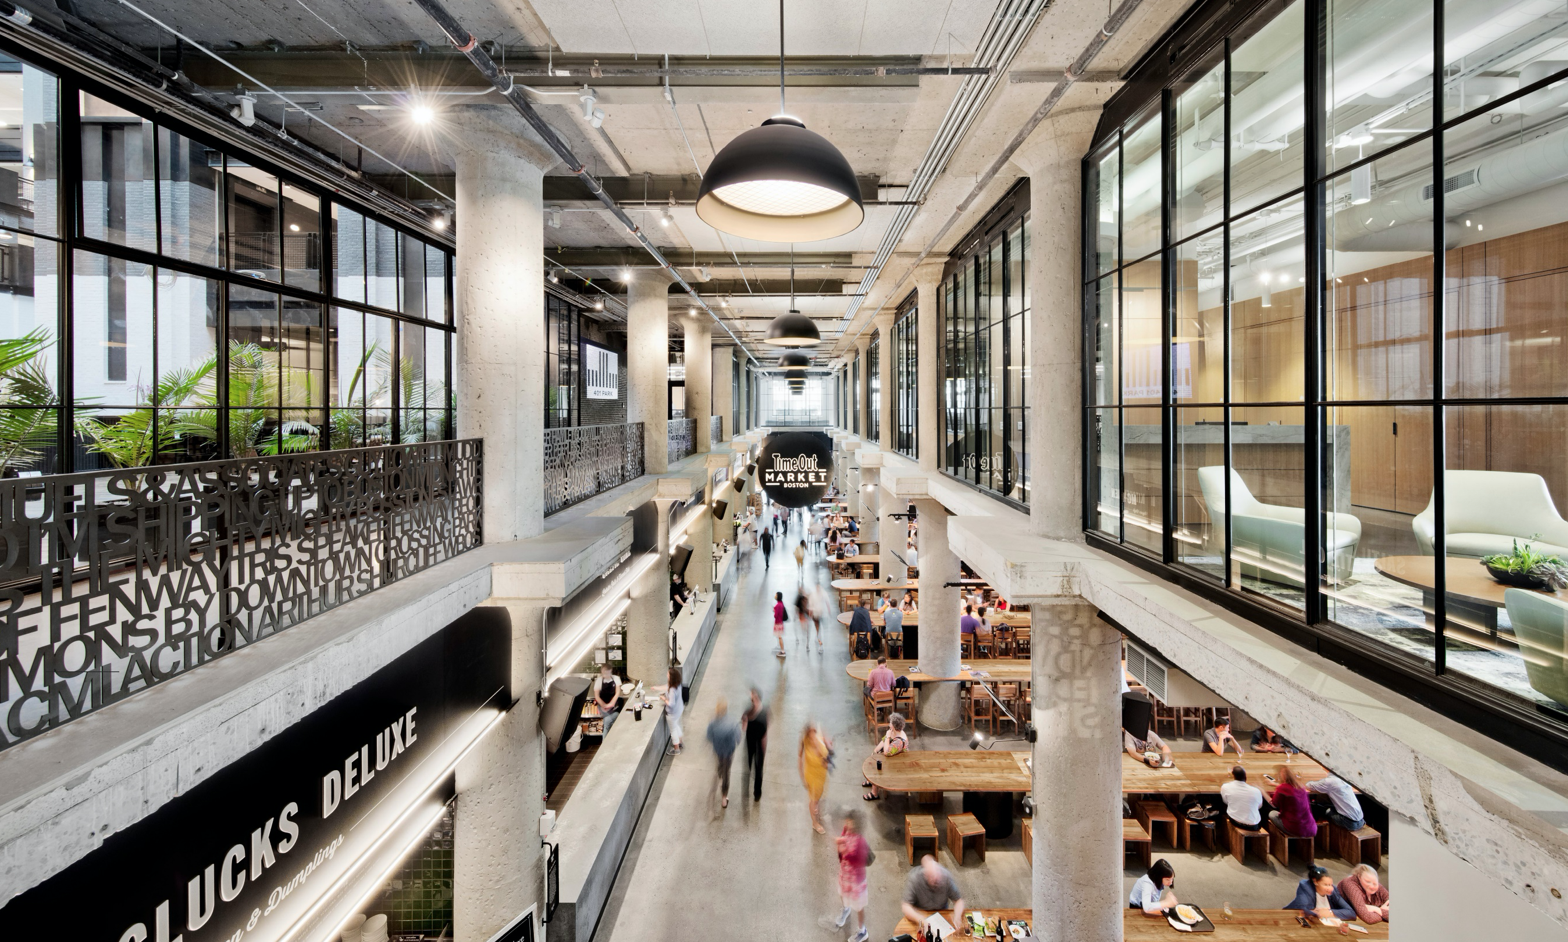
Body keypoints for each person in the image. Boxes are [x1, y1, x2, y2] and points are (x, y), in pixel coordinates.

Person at [901, 855, 965, 933]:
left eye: (938, 879)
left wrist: (957, 917)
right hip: (921, 914)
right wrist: (920, 919)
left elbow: (959, 901)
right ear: (925, 875)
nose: (936, 882)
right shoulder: (915, 879)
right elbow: (905, 906)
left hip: (941, 914)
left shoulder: (945, 876)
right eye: (932, 880)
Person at [835, 812, 872, 942]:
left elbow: (858, 860)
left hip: (856, 880)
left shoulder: (860, 841)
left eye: (849, 821)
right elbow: (842, 842)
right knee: (842, 893)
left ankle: (862, 931)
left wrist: (844, 851)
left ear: (856, 824)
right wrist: (840, 848)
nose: (846, 823)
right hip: (845, 874)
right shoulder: (846, 830)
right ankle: (846, 909)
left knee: (859, 906)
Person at [863, 713, 908, 801]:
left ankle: (874, 793)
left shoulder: (899, 741)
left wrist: (887, 737)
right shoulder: (894, 732)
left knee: (878, 767)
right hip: (892, 757)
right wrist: (875, 752)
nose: (889, 724)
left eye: (890, 723)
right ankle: (872, 781)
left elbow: (887, 752)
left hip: (898, 764)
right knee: (875, 758)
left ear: (894, 726)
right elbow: (883, 741)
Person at [1285, 865, 1356, 921]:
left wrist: (1330, 913)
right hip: (1291, 918)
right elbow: (1303, 910)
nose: (1330, 888)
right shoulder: (1306, 888)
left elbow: (1351, 913)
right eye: (1326, 885)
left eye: (1330, 884)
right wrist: (1317, 913)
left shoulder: (1333, 891)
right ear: (1315, 882)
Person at [706, 697, 740, 808]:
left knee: (720, 766)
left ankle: (720, 775)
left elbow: (709, 737)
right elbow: (738, 737)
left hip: (718, 751)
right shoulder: (732, 722)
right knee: (727, 772)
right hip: (729, 752)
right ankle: (724, 798)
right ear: (726, 710)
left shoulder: (712, 723)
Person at [799, 721, 832, 834]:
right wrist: (802, 777)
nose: (814, 733)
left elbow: (825, 753)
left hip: (821, 774)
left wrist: (825, 743)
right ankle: (814, 823)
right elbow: (799, 757)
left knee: (818, 797)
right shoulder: (805, 741)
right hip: (811, 775)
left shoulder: (818, 739)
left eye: (815, 731)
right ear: (807, 733)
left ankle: (817, 811)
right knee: (813, 800)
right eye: (811, 732)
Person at [1269, 764, 1318, 839]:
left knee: (1272, 814)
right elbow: (1289, 788)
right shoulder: (1300, 786)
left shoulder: (1282, 788)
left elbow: (1273, 804)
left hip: (1295, 828)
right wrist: (1276, 785)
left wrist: (1261, 791)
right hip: (1311, 828)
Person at [742, 687, 769, 801]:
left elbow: (744, 728)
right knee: (758, 769)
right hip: (758, 744)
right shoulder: (765, 711)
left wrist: (745, 721)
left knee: (750, 766)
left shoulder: (748, 712)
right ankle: (757, 794)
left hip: (751, 742)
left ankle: (749, 792)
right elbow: (765, 732)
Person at [1220, 765, 1264, 831]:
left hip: (1236, 821)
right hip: (1254, 825)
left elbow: (1225, 802)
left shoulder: (1225, 787)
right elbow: (1259, 806)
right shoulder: (1256, 791)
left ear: (1233, 776)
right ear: (1245, 777)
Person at [655, 666, 684, 755]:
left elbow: (671, 704)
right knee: (676, 726)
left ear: (671, 677)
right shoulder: (677, 684)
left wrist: (664, 698)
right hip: (679, 710)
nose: (667, 675)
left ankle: (676, 749)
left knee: (673, 730)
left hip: (672, 713)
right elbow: (667, 686)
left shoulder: (672, 689)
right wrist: (656, 688)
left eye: (668, 674)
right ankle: (680, 742)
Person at [593, 663, 621, 736]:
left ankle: (606, 742)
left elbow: (617, 693)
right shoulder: (599, 680)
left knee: (607, 721)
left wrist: (611, 704)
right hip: (602, 707)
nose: (604, 674)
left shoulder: (616, 678)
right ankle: (607, 741)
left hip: (614, 706)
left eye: (606, 671)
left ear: (610, 670)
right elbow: (597, 696)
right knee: (608, 721)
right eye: (603, 672)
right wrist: (604, 706)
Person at [773, 591, 788, 657]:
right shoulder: (781, 603)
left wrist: (774, 610)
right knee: (779, 637)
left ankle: (782, 651)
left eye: (776, 595)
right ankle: (781, 649)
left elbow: (775, 615)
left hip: (778, 623)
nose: (775, 596)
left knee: (779, 637)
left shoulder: (777, 605)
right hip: (780, 622)